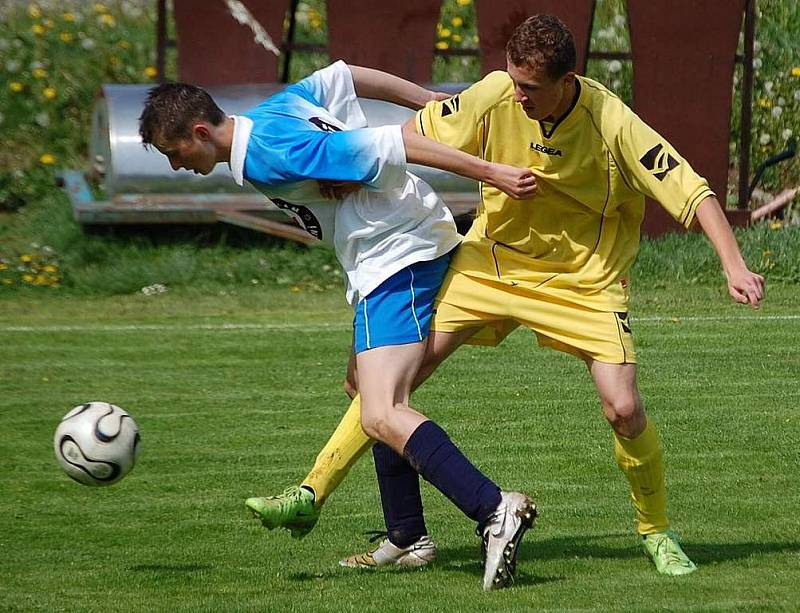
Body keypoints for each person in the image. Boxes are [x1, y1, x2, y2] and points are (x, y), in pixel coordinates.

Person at [253, 15, 766, 579]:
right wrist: (347, 166)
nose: (515, 94)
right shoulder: (497, 93)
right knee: (390, 379)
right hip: (490, 264)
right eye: (511, 79)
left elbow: (690, 188)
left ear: (567, 81)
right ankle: (319, 494)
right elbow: (410, 134)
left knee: (622, 408)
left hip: (582, 279)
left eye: (529, 87)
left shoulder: (611, 120)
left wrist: (734, 265)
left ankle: (656, 530)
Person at [138, 60, 538, 591]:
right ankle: (406, 536)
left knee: (381, 412)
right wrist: (426, 97)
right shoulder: (273, 112)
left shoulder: (270, 153)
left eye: (174, 153)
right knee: (363, 390)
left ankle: (494, 510)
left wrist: (492, 173)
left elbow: (395, 146)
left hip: (398, 254)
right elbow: (348, 75)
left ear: (200, 132)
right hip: (388, 251)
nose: (175, 166)